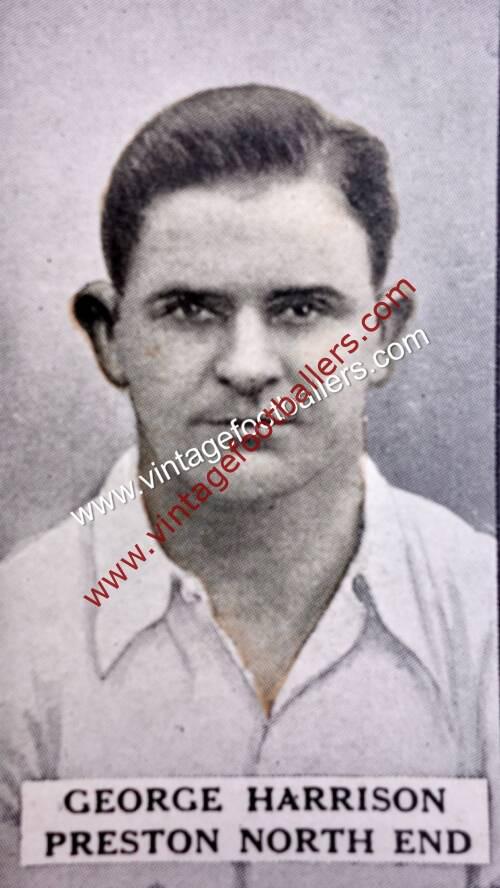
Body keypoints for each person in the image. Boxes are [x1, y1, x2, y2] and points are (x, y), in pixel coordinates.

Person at [0, 84, 498, 888]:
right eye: (190, 309)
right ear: (109, 336)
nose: (248, 366)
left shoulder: (482, 624)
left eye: (301, 308)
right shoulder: (16, 639)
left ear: (382, 336)